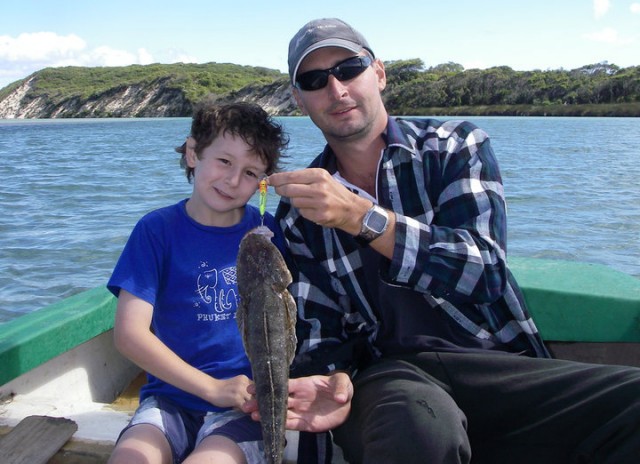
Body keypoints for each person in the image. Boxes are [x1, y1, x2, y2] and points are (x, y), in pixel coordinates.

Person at [250, 18, 640, 463]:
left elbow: (484, 271)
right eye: (314, 80)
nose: (336, 89)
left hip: (496, 361)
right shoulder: (299, 213)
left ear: (378, 73)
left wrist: (362, 217)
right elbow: (320, 331)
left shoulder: (453, 145)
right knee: (416, 425)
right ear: (299, 99)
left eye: (349, 68)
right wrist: (331, 375)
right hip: (392, 377)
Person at [107, 99, 288, 464]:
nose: (234, 180)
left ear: (264, 183)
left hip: (244, 406)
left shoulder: (267, 237)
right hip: (169, 399)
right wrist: (210, 388)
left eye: (251, 173)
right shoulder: (155, 231)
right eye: (224, 161)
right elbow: (129, 334)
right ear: (193, 153)